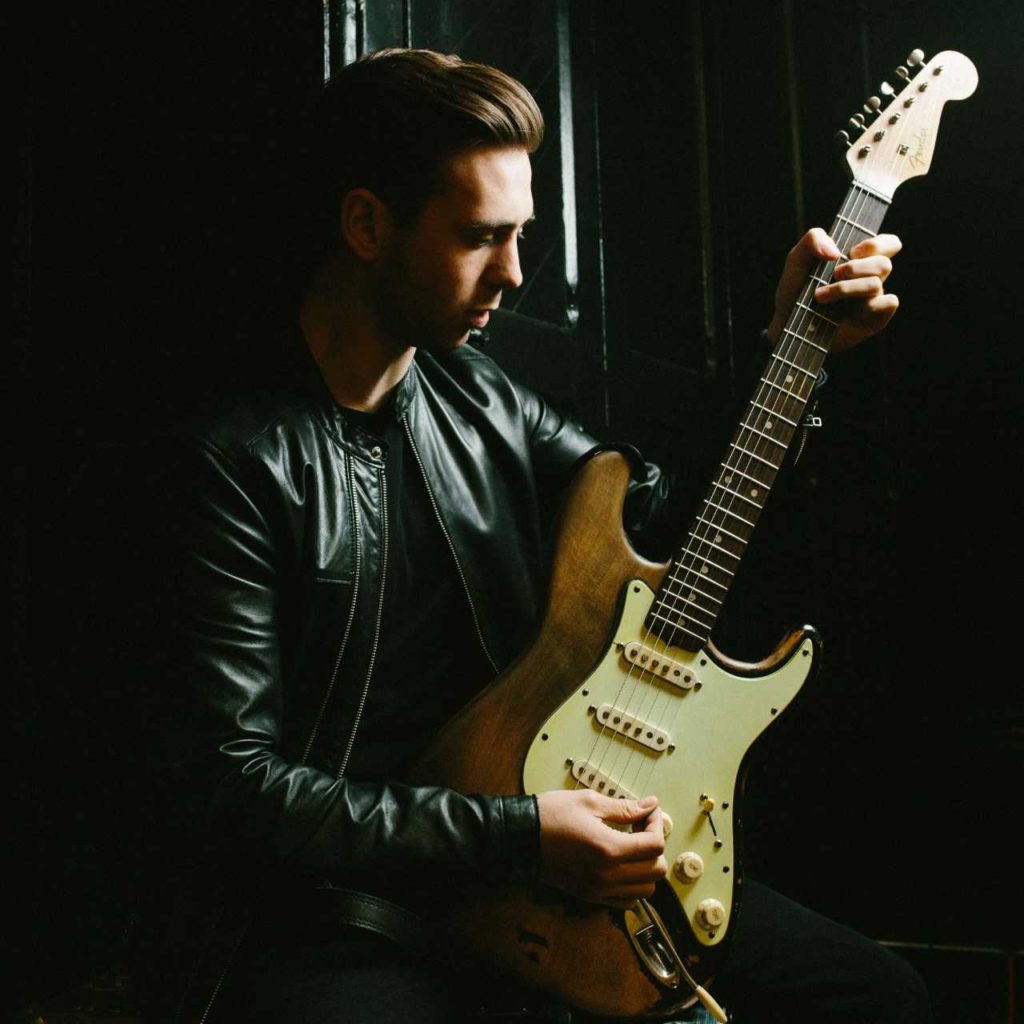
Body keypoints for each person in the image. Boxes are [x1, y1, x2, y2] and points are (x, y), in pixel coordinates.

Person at [133, 47, 930, 1024]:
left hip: (544, 861)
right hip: (340, 915)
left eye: (521, 235)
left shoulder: (481, 398)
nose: (513, 273)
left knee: (876, 993)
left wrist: (789, 349)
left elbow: (667, 536)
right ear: (366, 224)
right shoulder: (231, 460)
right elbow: (230, 786)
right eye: (481, 237)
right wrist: (517, 834)